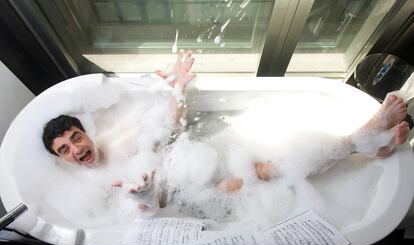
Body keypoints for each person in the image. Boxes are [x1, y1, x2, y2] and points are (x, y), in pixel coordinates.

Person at [41, 50, 410, 214]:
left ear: (84, 132)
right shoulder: (95, 190)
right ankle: (363, 139)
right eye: (64, 150)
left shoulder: (119, 140)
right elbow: (145, 212)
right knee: (265, 171)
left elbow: (167, 123)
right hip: (190, 197)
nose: (75, 149)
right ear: (63, 161)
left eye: (75, 138)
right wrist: (148, 197)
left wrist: (177, 90)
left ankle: (369, 146)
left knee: (272, 154)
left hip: (197, 159)